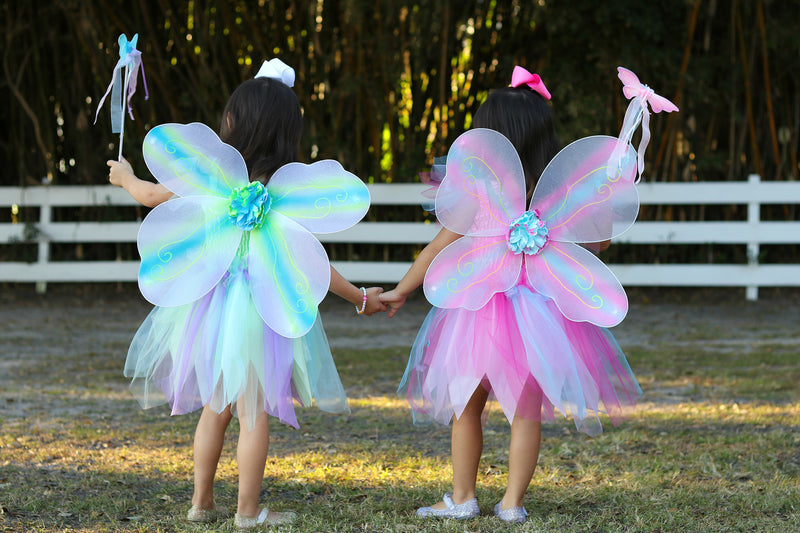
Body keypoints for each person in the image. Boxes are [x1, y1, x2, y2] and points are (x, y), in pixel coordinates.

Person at [109, 59, 386, 530]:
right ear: (285, 132)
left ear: (234, 123)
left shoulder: (214, 180)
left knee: (216, 408)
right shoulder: (284, 194)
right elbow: (313, 266)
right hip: (261, 312)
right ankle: (248, 510)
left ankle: (201, 503)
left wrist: (127, 177)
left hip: (212, 307)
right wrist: (360, 298)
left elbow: (155, 196)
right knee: (253, 411)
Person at [379, 67, 641, 524]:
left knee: (466, 406)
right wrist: (605, 201)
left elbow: (440, 246)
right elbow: (597, 244)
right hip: (538, 317)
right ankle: (512, 504)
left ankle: (463, 497)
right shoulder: (558, 194)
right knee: (526, 411)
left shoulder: (480, 193)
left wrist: (403, 289)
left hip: (477, 312)